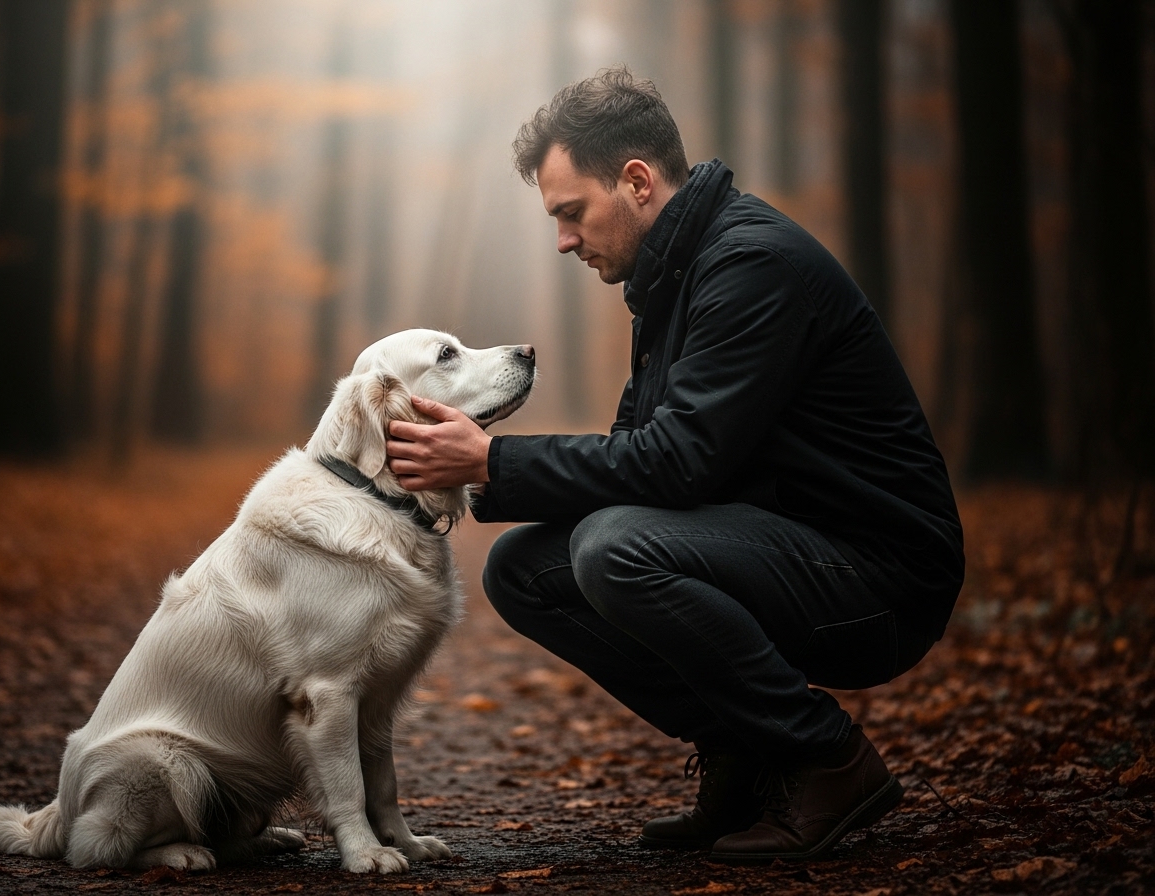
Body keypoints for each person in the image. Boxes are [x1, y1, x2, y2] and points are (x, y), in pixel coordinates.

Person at [385, 66, 964, 863]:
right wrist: (486, 471)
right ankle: (743, 758)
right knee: (523, 569)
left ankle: (825, 758)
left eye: (571, 213)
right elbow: (639, 453)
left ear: (637, 181)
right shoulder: (676, 278)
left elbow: (675, 465)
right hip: (785, 542)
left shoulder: (751, 266)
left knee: (614, 547)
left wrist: (493, 458)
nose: (563, 240)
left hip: (879, 578)